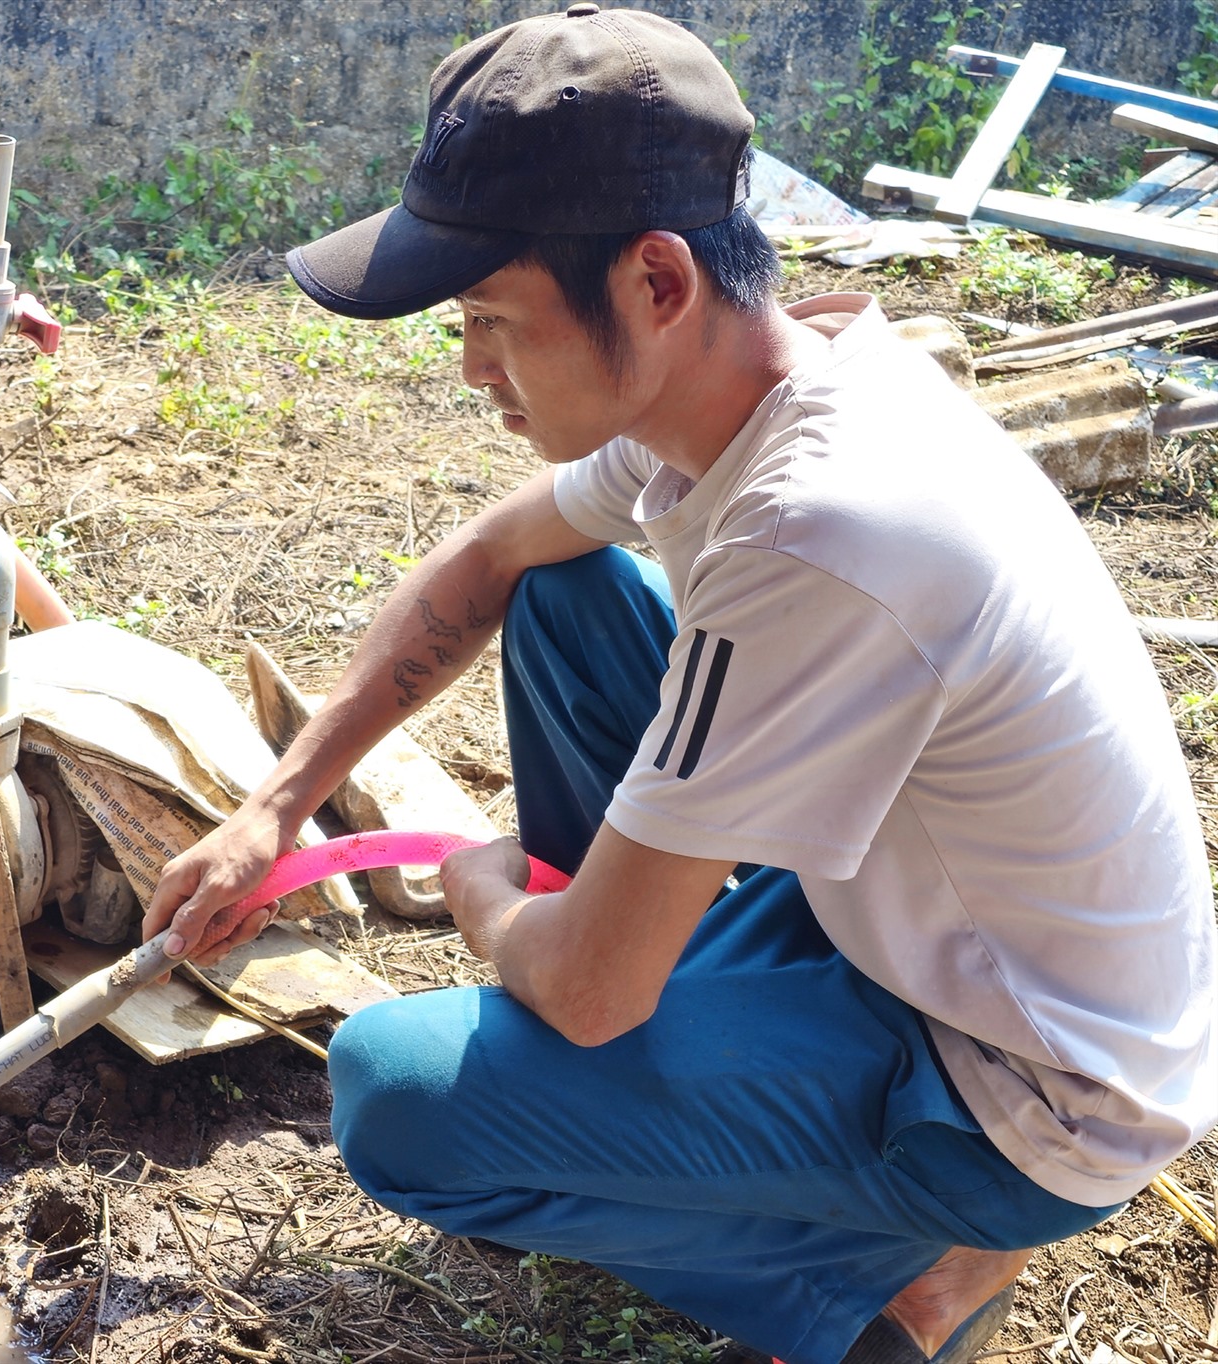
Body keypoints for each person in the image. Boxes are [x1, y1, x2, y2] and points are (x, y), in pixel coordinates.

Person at [138, 8, 1218, 1364]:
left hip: (1022, 1084)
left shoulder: (819, 526)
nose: (474, 368)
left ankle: (897, 1272)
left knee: (392, 1095)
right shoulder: (750, 390)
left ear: (656, 284)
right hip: (906, 923)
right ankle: (676, 1033)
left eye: (492, 321)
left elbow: (589, 993)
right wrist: (279, 805)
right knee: (569, 594)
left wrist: (481, 889)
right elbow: (487, 558)